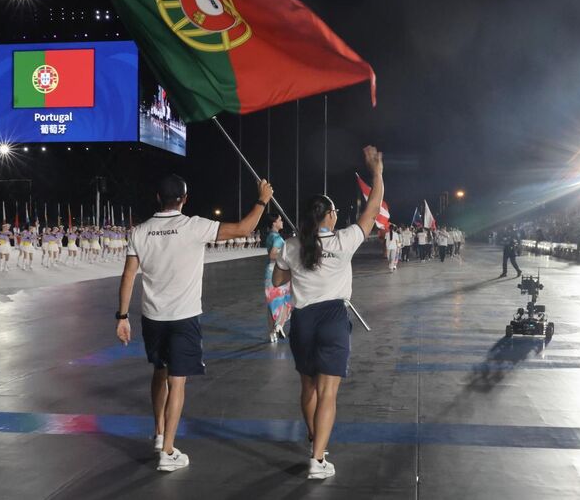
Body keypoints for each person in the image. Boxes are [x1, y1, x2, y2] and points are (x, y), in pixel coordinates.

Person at [116, 174, 274, 472]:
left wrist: (122, 317)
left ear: (158, 198)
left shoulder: (140, 231)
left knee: (159, 372)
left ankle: (159, 433)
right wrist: (262, 200)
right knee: (177, 381)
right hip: (183, 317)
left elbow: (128, 276)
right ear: (184, 199)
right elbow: (244, 228)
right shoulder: (194, 226)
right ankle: (168, 451)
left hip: (153, 318)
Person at [272, 145, 384, 480]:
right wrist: (377, 172)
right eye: (334, 211)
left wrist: (294, 264)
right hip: (333, 319)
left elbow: (278, 280)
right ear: (330, 216)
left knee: (308, 388)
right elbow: (373, 209)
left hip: (303, 321)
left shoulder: (293, 245)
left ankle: (313, 439)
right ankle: (317, 458)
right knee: (328, 393)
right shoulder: (344, 240)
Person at [263, 214, 292, 343]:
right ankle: (279, 325)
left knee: (273, 304)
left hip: (271, 272)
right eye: (280, 220)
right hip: (277, 273)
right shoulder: (277, 238)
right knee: (286, 301)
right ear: (274, 223)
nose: (282, 222)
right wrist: (287, 257)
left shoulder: (270, 236)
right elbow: (272, 255)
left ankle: (272, 332)